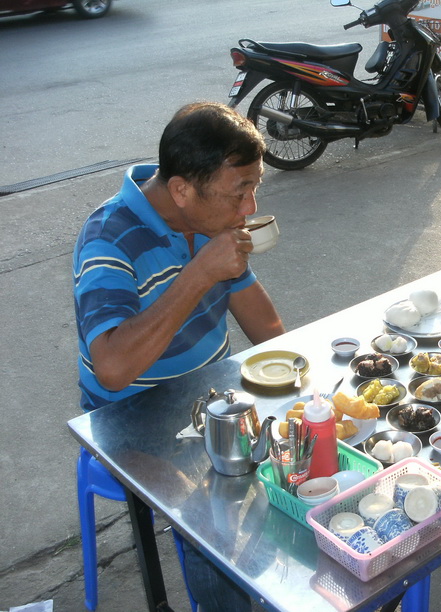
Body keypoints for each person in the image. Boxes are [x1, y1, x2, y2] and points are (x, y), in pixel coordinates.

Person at [73, 101, 284, 611]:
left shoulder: (211, 220)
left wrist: (295, 376)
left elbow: (262, 320)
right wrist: (199, 274)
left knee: (301, 454)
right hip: (129, 420)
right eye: (240, 192)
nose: (250, 208)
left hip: (210, 396)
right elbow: (113, 368)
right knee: (213, 512)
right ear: (182, 191)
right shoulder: (108, 237)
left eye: (255, 188)